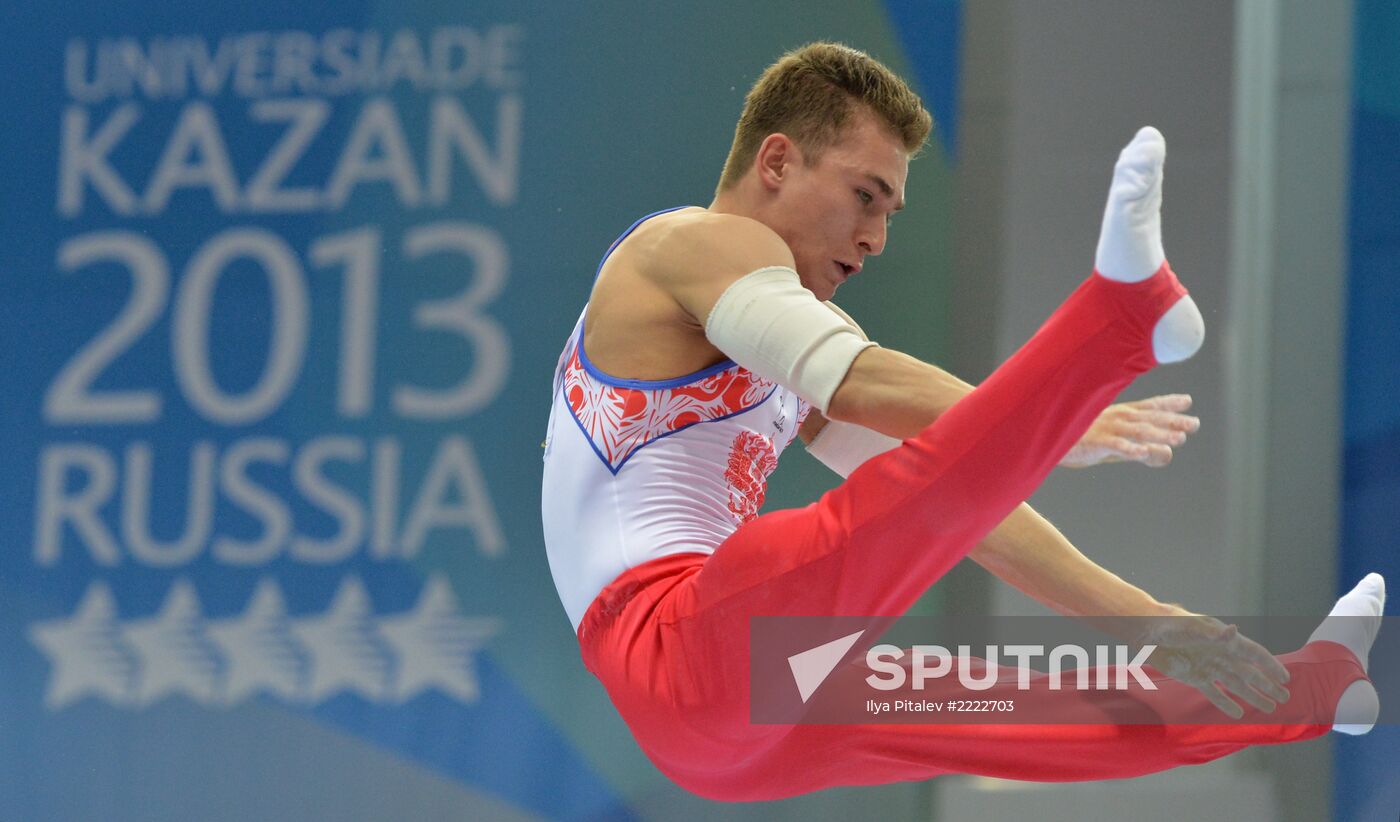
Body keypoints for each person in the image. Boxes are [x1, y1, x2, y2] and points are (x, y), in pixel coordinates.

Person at [540, 42, 1384, 801]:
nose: (874, 239)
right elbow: (857, 379)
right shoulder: (693, 244)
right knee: (880, 504)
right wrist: (1046, 417)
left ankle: (1310, 690)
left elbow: (953, 506)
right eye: (863, 196)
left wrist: (1151, 621)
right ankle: (1123, 317)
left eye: (890, 214)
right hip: (678, 651)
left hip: (732, 723)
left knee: (1040, 711)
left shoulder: (769, 356)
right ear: (776, 161)